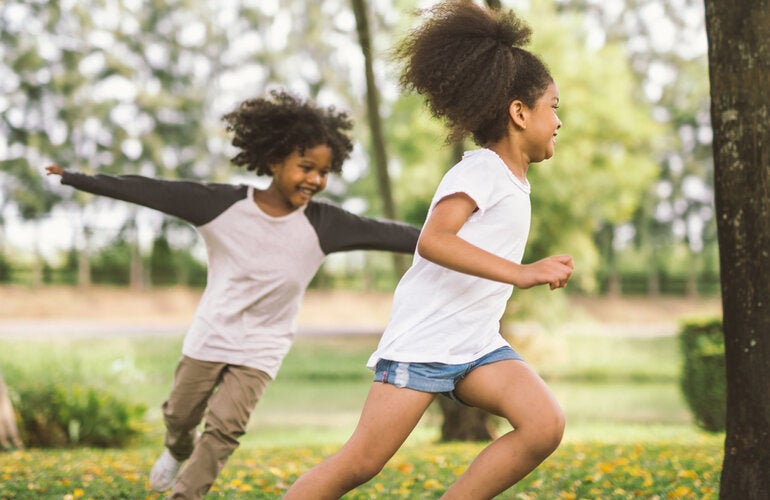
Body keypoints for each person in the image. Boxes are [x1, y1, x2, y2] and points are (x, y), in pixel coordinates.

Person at [45, 89, 420, 499]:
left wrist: (451, 237)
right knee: (180, 415)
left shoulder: (325, 224)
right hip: (213, 332)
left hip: (263, 344)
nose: (315, 180)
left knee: (226, 427)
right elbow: (152, 190)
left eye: (324, 172)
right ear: (274, 161)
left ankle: (184, 495)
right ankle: (177, 448)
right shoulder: (220, 205)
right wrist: (77, 178)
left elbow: (390, 234)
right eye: (306, 167)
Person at [284, 2, 574, 499]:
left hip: (476, 346)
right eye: (554, 106)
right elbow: (434, 240)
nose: (559, 121)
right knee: (361, 462)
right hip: (426, 344)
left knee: (544, 425)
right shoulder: (481, 169)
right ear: (519, 113)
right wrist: (521, 272)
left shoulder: (513, 180)